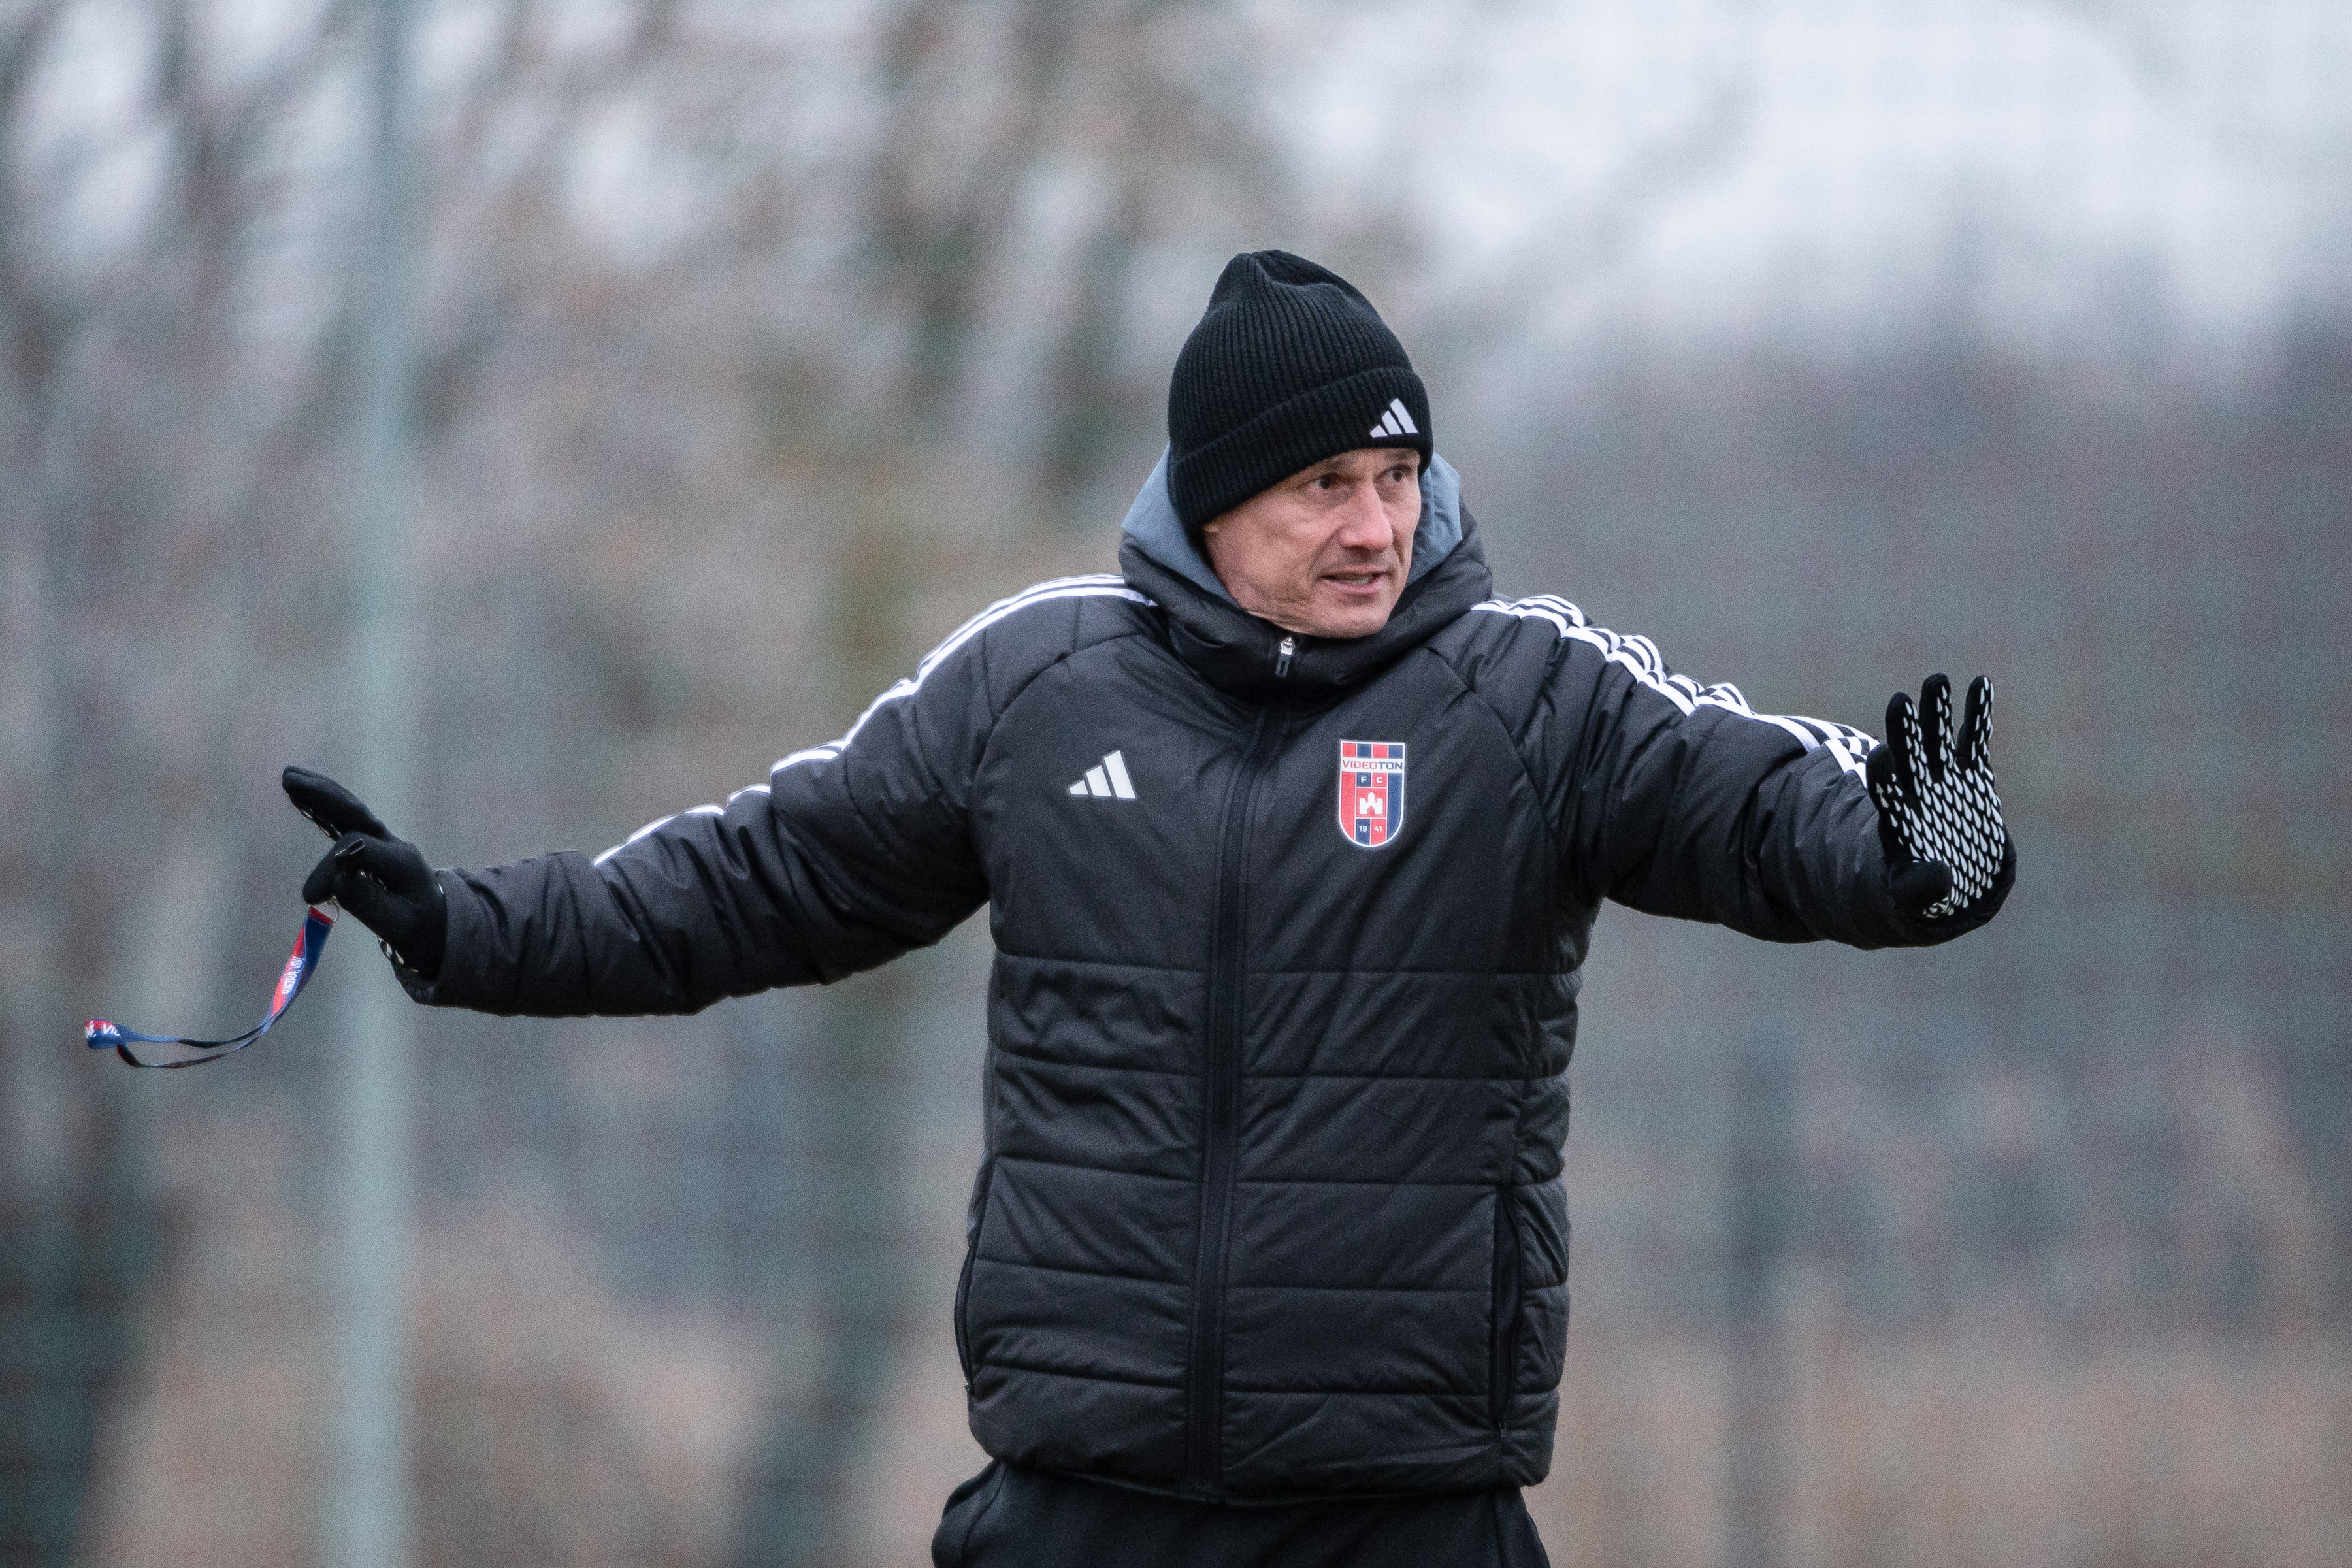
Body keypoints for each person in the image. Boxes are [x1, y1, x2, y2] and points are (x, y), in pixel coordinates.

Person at [286, 250, 2014, 1567]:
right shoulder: (1035, 687)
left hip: (1402, 1509)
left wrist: (1910, 854)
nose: (1377, 526)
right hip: (1083, 1501)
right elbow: (758, 879)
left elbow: (1754, 801)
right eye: (1325, 487)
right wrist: (470, 927)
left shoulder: (1529, 700)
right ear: (1211, 498)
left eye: (1400, 478)